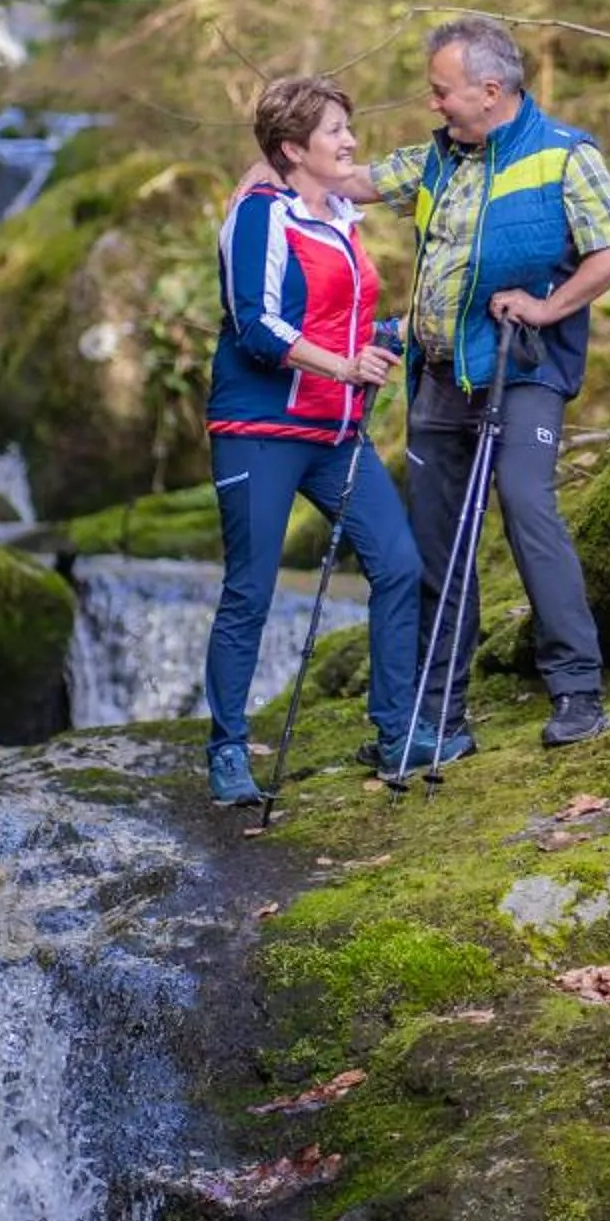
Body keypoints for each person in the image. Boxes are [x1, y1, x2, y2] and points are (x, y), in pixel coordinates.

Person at [363, 16, 610, 755]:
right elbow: (353, 181)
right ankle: (438, 718)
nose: (433, 103)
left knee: (526, 505)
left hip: (523, 369)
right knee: (436, 541)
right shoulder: (438, 158)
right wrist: (276, 171)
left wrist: (549, 307)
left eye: (442, 91)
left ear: (490, 90)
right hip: (439, 376)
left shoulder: (564, 155)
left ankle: (577, 692)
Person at [198, 76, 422, 805]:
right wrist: (344, 366)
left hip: (335, 431)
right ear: (293, 149)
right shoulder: (261, 215)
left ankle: (396, 729)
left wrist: (391, 337)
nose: (350, 141)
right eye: (334, 131)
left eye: (347, 128)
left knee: (398, 563)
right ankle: (228, 752)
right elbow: (257, 325)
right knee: (250, 590)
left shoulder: (340, 216)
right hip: (260, 431)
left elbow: (339, 318)